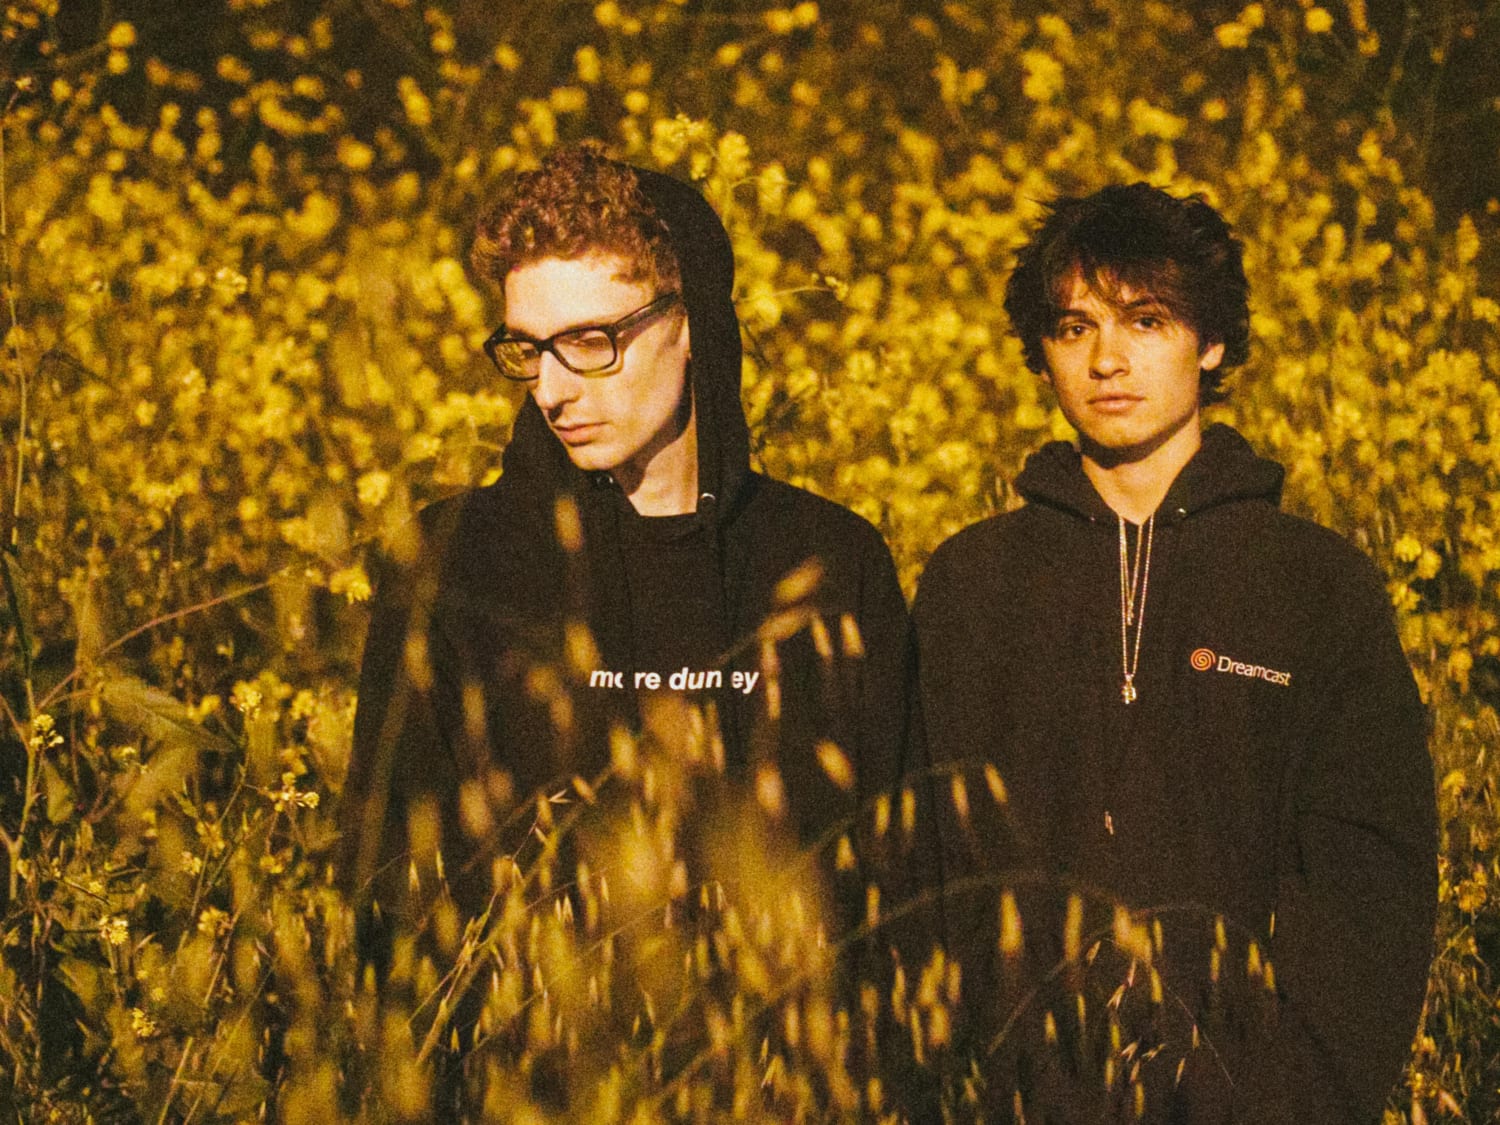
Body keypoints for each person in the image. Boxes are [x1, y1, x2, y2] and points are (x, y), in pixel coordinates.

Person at [913, 183, 1436, 1122]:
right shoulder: (970, 582)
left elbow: (1370, 890)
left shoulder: (1315, 585)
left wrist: (1290, 1101)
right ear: (1041, 351)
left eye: (1146, 320)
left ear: (1214, 341)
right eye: (1074, 327)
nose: (1106, 359)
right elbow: (925, 873)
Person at [339, 146, 912, 990]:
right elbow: (391, 892)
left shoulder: (828, 559)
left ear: (691, 325)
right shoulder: (452, 563)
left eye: (589, 342)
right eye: (527, 349)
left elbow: (897, 892)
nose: (551, 390)